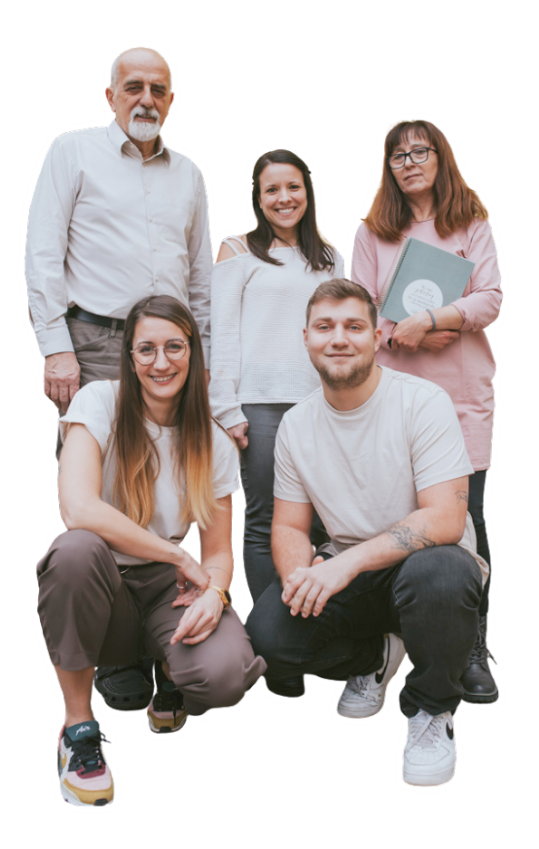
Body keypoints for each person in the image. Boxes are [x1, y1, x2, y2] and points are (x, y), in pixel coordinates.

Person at [25, 44, 214, 708]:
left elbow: (200, 276)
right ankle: (119, 647)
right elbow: (42, 252)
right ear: (109, 95)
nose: (146, 99)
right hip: (98, 343)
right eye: (133, 87)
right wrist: (56, 347)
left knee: (172, 479)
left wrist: (206, 362)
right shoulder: (71, 150)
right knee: (105, 488)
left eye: (159, 89)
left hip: (175, 350)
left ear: (173, 99)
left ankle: (167, 635)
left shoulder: (189, 172)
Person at [246, 280, 487, 787]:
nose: (339, 338)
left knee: (442, 573)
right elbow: (288, 526)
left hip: (426, 569)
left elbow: (446, 519)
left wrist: (343, 565)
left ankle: (431, 707)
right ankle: (376, 656)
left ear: (377, 337)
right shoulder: (297, 425)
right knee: (268, 638)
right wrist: (301, 578)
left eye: (354, 326)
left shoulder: (423, 402)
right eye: (325, 327)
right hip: (350, 577)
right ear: (306, 338)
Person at [36, 295, 266, 807]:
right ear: (130, 356)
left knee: (227, 673)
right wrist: (178, 557)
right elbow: (78, 508)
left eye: (174, 347)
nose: (161, 362)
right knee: (73, 552)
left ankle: (169, 664)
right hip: (103, 585)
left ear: (193, 352)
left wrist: (216, 595)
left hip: (167, 591)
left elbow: (217, 553)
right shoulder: (98, 402)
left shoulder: (212, 440)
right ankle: (77, 727)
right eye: (147, 349)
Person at [351, 119, 503, 703]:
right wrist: (402, 333)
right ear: (387, 167)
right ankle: (386, 644)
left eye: (421, 152)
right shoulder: (372, 232)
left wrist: (438, 319)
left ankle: (472, 649)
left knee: (467, 523)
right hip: (395, 401)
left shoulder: (471, 221)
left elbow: (491, 297)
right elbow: (362, 313)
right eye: (398, 155)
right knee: (392, 520)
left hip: (461, 398)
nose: (410, 162)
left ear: (441, 158)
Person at [209, 148, 344, 613]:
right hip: (259, 407)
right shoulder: (236, 250)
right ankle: (272, 628)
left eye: (293, 187)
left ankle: (317, 617)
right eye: (272, 190)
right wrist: (225, 407)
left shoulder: (329, 257)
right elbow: (222, 333)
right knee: (266, 517)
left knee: (322, 517)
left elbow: (337, 333)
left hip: (320, 405)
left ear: (308, 192)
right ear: (258, 198)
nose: (284, 198)